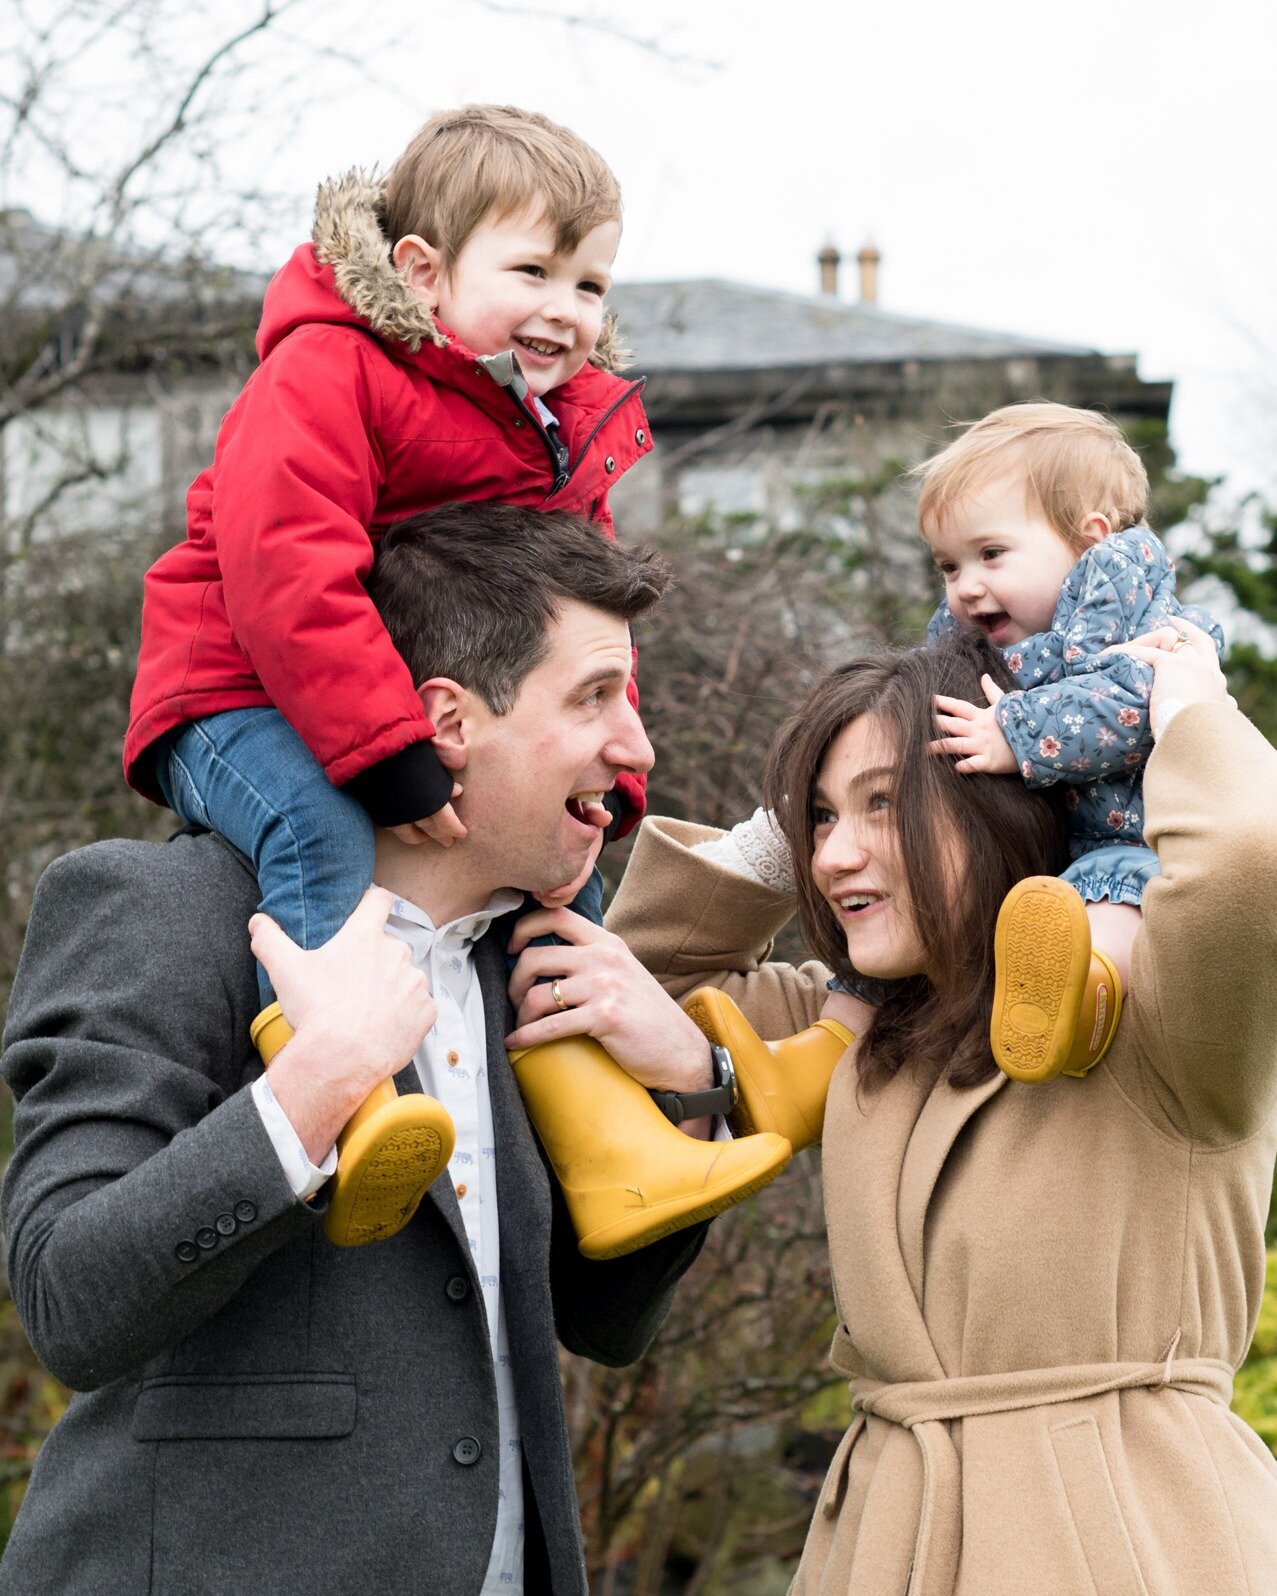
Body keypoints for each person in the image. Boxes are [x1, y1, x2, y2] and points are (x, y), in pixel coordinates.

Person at [0, 506, 786, 1595]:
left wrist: (686, 1090)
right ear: (446, 722)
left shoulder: (536, 958)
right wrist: (311, 1092)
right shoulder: (162, 910)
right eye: (595, 698)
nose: (636, 747)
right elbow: (67, 1299)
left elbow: (604, 1324)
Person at [560, 622, 1276, 1594]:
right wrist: (792, 820)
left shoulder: (1150, 1005)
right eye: (819, 821)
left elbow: (1248, 860)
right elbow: (627, 980)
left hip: (1133, 1543)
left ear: (1000, 799)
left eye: (885, 804)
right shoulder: (853, 1030)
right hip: (877, 1545)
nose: (832, 858)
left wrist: (1185, 708)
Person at [123, 104, 658, 1245]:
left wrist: (601, 771)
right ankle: (344, 1095)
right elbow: (287, 574)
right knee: (321, 833)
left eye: (591, 286)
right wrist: (394, 766)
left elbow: (587, 620)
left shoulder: (551, 428)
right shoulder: (330, 370)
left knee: (565, 889)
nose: (565, 311)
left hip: (378, 705)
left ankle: (614, 1141)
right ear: (421, 271)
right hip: (229, 691)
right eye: (532, 271)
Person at [920, 402, 1224, 1082]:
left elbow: (1118, 709)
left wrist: (1013, 730)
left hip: (1141, 849)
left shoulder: (1152, 635)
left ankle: (1079, 1004)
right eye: (947, 566)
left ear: (1088, 543)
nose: (966, 586)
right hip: (1044, 865)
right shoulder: (994, 640)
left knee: (1112, 894)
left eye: (990, 554)